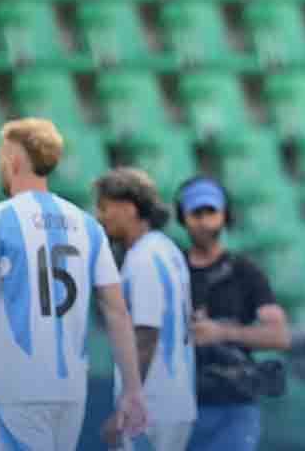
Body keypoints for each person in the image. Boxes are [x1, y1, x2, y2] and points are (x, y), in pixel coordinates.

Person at [0, 118, 147, 450]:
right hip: (71, 389)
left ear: (14, 161)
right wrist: (133, 389)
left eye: (1, 158)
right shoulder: (87, 225)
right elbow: (117, 313)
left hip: (21, 385)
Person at [176, 176, 292, 451]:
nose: (204, 221)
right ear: (183, 217)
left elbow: (278, 335)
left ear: (225, 215)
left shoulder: (244, 271)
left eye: (211, 212)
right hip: (178, 401)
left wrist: (221, 333)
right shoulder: (172, 267)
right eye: (196, 213)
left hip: (232, 404)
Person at [94, 168, 197, 450]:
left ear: (128, 208)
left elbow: (146, 336)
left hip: (151, 411)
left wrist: (128, 403)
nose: (100, 217)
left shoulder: (144, 260)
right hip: (175, 402)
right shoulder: (168, 250)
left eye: (105, 208)